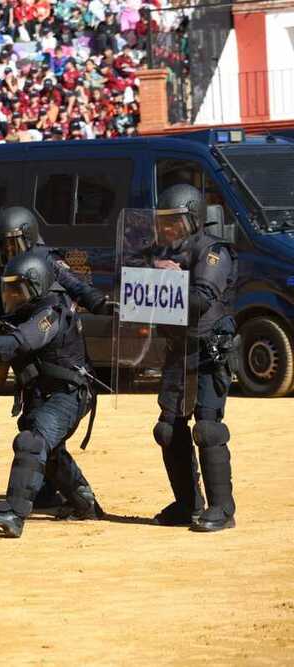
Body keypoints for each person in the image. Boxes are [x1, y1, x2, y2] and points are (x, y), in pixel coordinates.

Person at [0, 252, 101, 538]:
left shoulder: (51, 312)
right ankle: (84, 501)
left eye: (18, 289)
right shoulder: (30, 310)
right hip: (46, 391)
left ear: (38, 286)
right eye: (9, 288)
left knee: (31, 440)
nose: (11, 296)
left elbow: (15, 346)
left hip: (69, 393)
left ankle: (14, 513)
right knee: (48, 451)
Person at [149, 184, 238, 532]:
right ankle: (188, 503)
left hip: (207, 350)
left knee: (208, 428)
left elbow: (200, 298)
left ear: (193, 219)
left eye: (174, 221)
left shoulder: (213, 251)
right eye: (164, 222)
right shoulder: (165, 251)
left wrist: (173, 278)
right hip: (177, 350)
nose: (167, 228)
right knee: (168, 428)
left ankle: (222, 508)